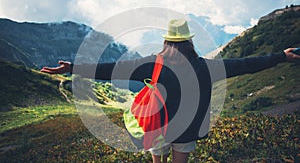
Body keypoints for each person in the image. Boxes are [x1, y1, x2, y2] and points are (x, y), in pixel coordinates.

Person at [41, 19, 300, 163]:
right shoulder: (206, 67)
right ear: (188, 42)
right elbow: (245, 65)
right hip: (187, 129)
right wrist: (280, 56)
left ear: (167, 42)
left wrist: (72, 68)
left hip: (157, 128)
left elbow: (111, 69)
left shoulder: (152, 64)